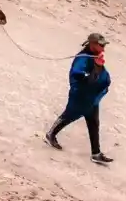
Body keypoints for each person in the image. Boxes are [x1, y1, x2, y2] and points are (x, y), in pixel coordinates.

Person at [45, 32, 114, 165]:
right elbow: (81, 77)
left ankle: (96, 153)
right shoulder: (83, 59)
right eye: (101, 45)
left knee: (94, 123)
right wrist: (97, 68)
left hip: (92, 98)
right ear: (93, 44)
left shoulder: (94, 56)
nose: (103, 48)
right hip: (81, 97)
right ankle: (51, 134)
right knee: (69, 116)